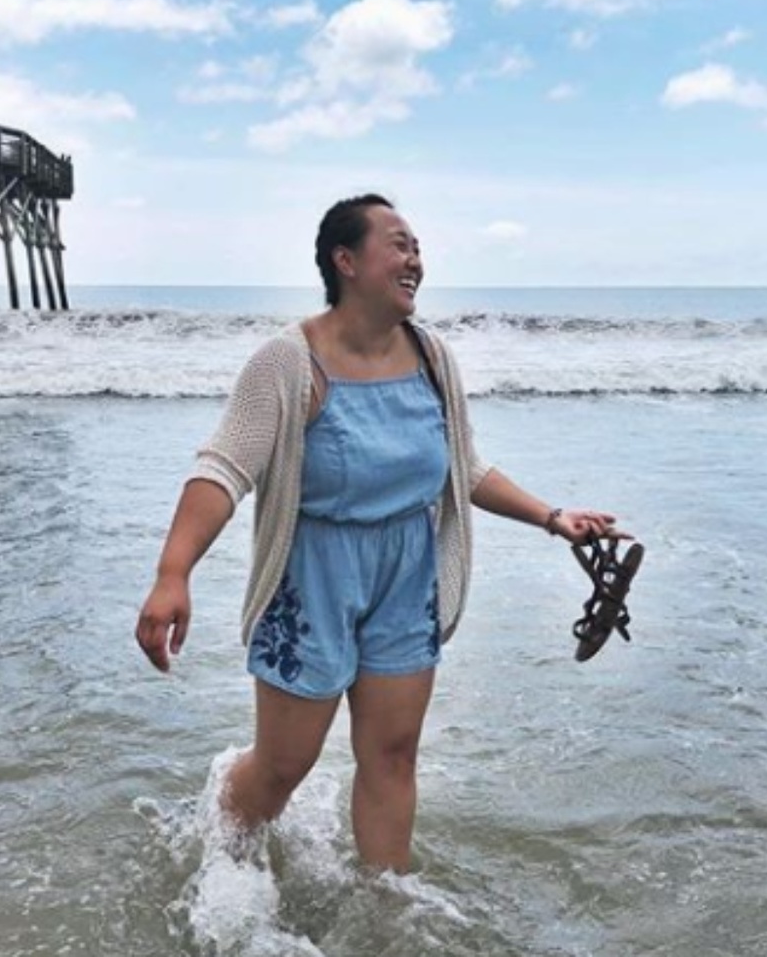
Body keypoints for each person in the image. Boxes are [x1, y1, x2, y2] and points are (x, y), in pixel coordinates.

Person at [135, 193, 630, 873]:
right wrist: (173, 573)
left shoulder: (432, 357)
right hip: (313, 578)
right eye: (399, 244)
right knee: (284, 766)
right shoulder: (288, 362)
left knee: (393, 756)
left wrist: (551, 517)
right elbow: (224, 468)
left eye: (418, 247)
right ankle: (218, 838)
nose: (415, 260)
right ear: (346, 261)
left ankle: (387, 902)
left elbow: (462, 465)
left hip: (407, 576)